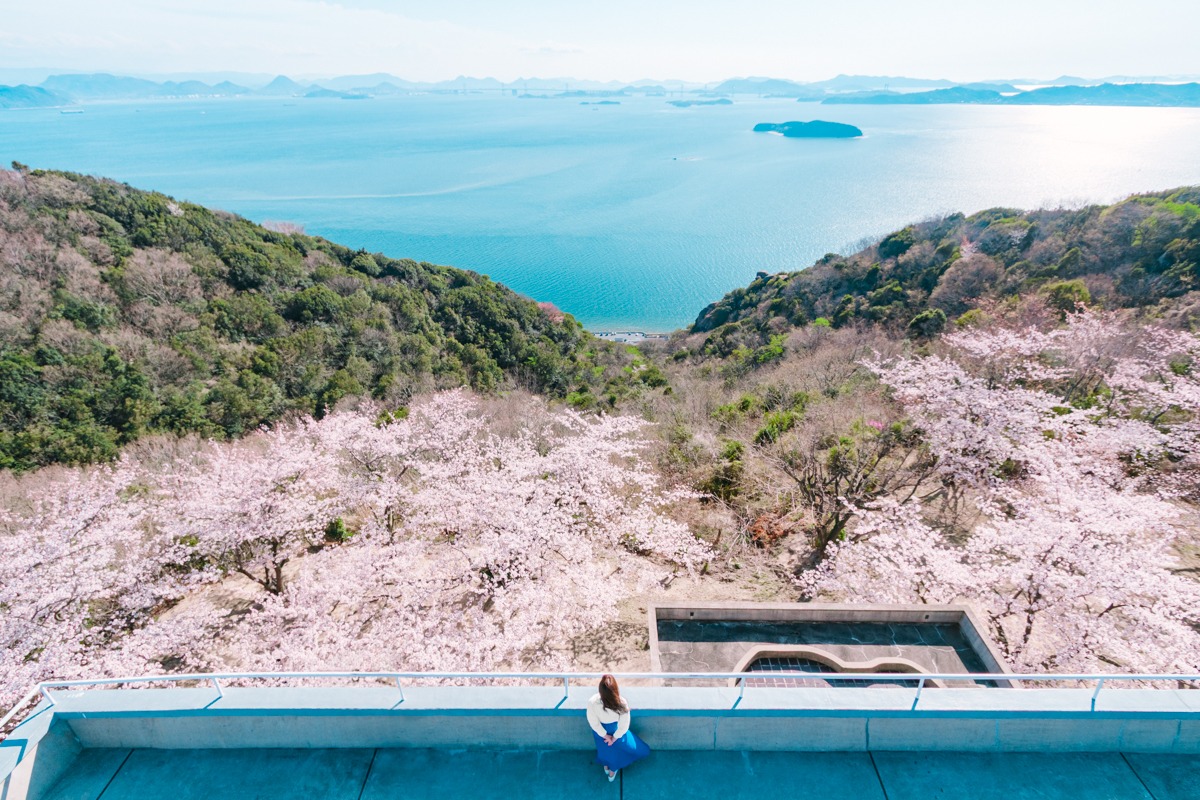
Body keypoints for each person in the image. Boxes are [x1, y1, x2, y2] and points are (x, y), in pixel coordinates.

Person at [586, 674, 651, 781]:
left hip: (600, 732)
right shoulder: (621, 703)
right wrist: (614, 738)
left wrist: (605, 736)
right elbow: (624, 725)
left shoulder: (592, 702)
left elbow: (593, 722)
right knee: (622, 750)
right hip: (616, 730)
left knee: (605, 751)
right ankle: (612, 772)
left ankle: (606, 767)